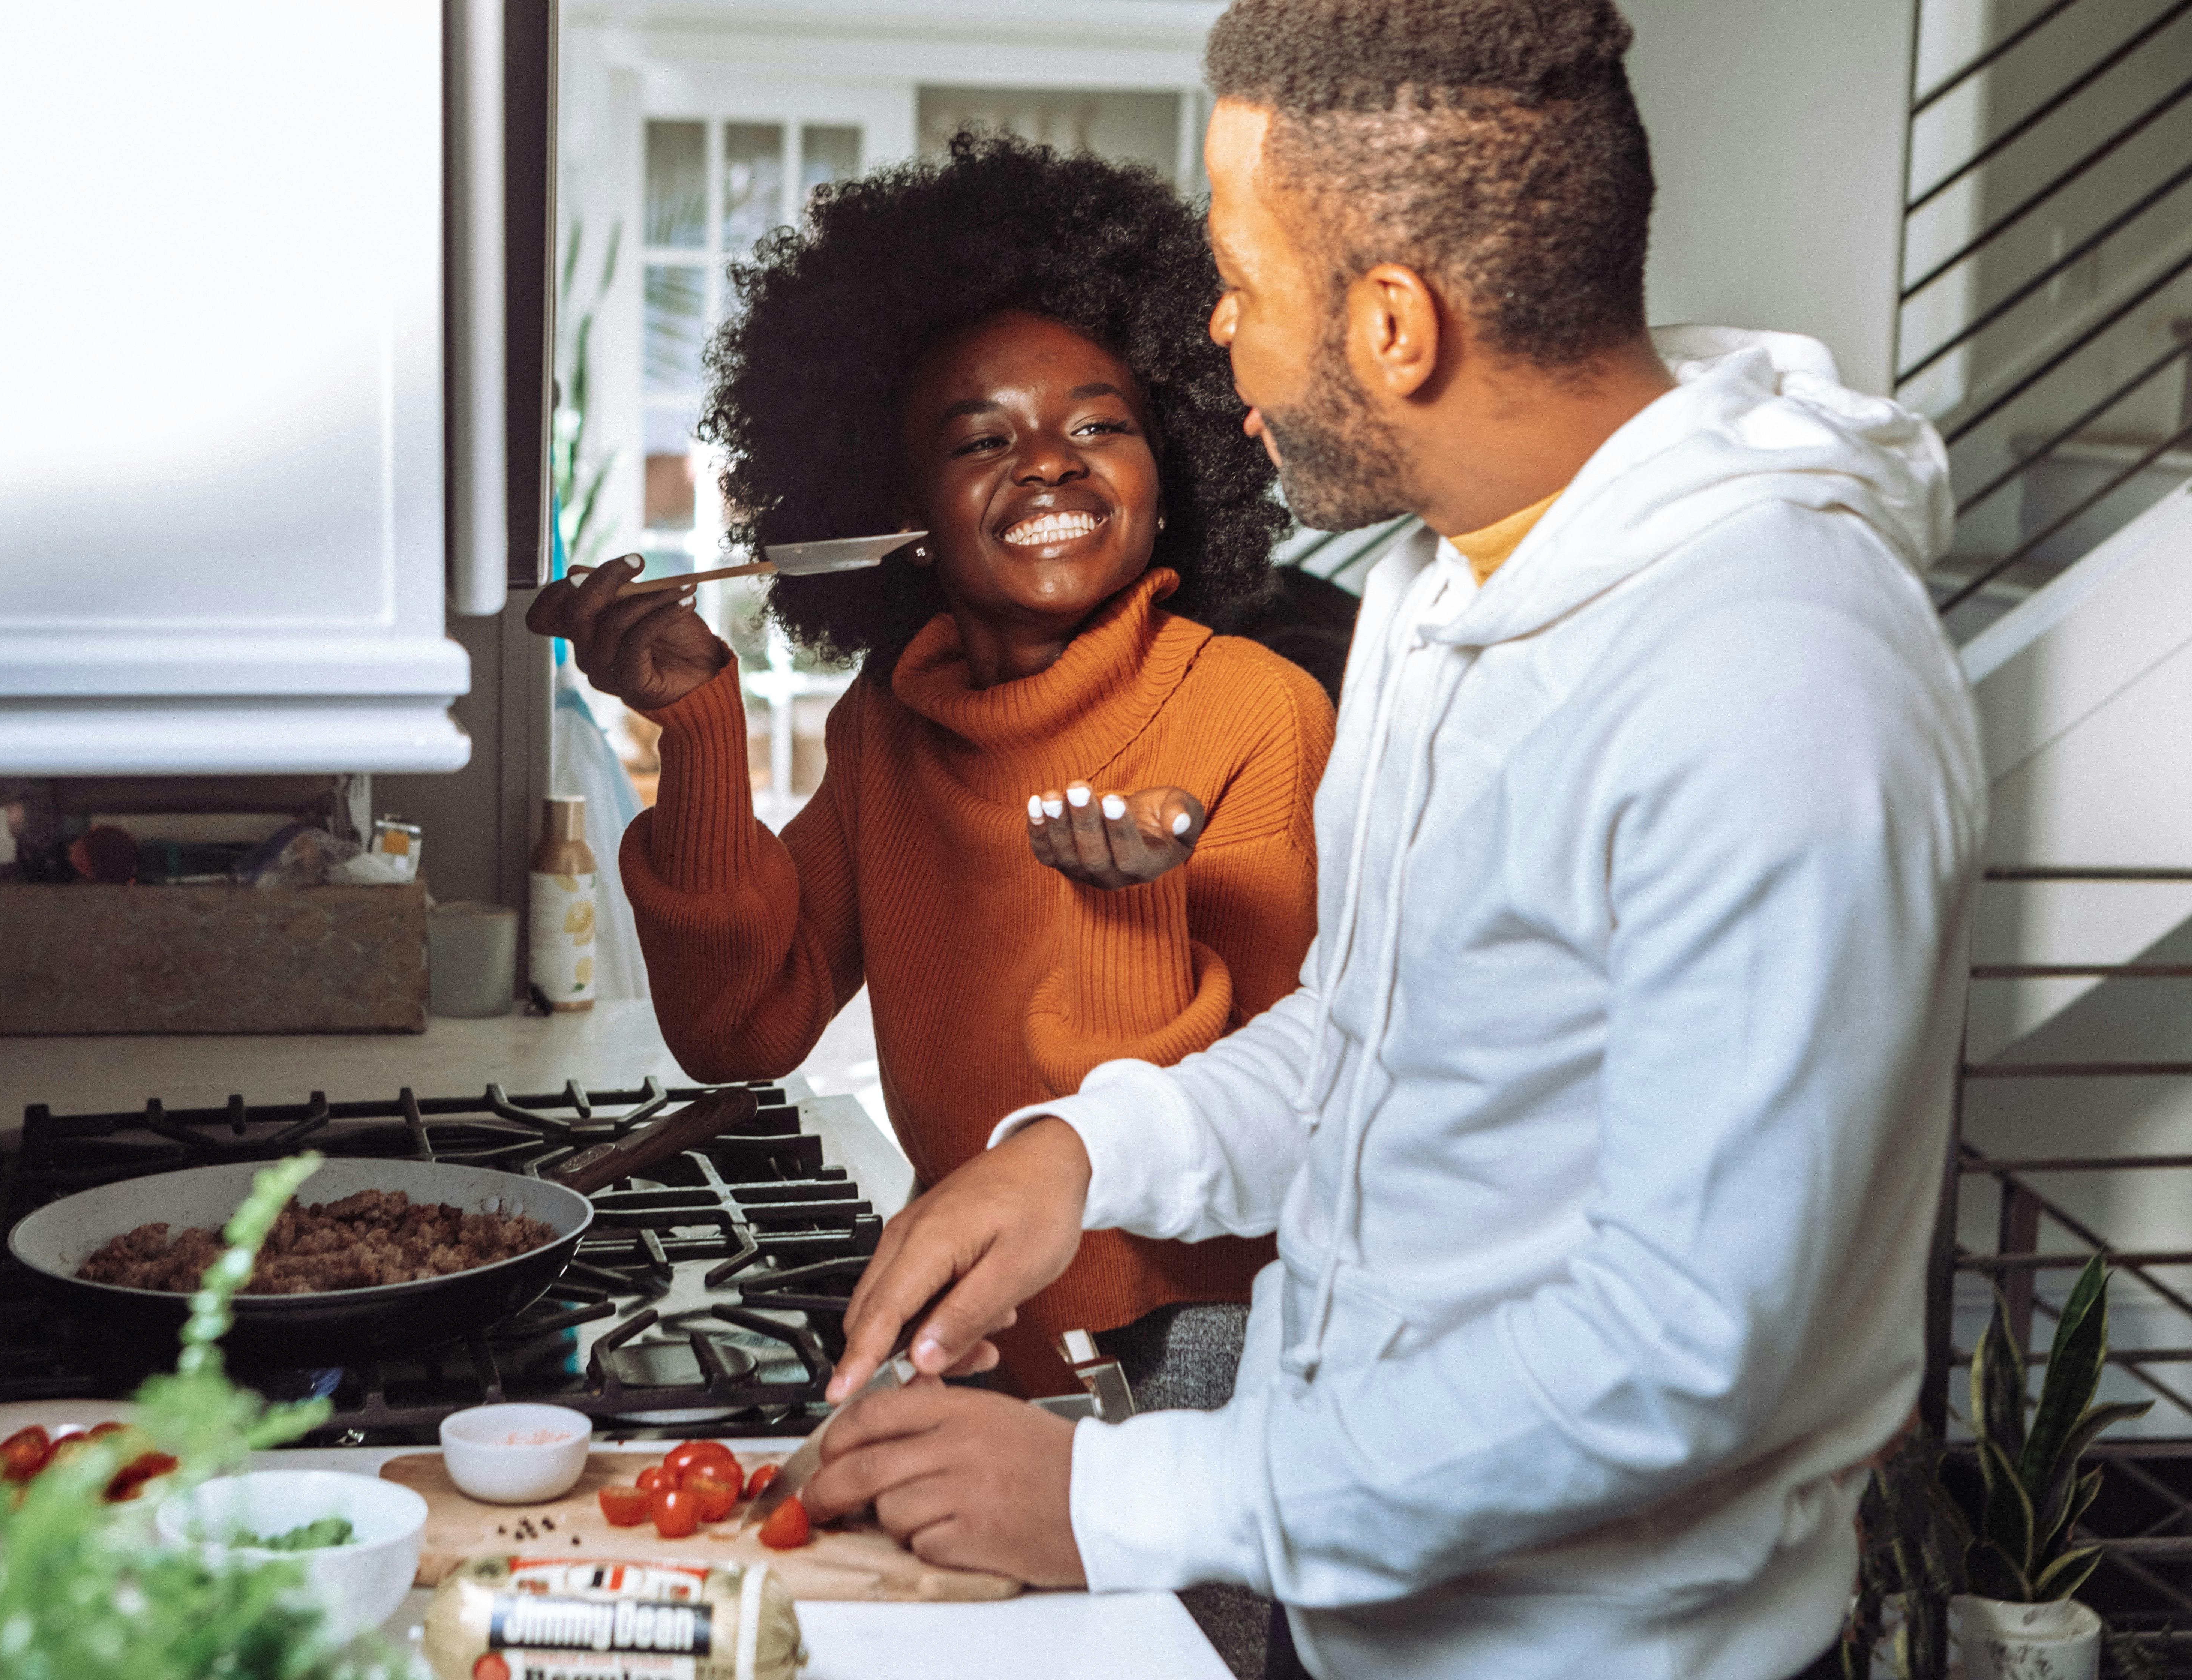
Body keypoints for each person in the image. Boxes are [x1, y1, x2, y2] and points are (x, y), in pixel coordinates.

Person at [804, 4, 1987, 1678]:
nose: (1214, 338)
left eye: (1242, 279)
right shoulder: (1450, 587)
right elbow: (1389, 1041)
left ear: (1393, 324)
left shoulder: (1776, 680)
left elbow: (1679, 1353)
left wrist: (1117, 1497)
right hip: (1358, 1612)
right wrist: (1083, 1155)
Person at [526, 134, 1334, 1402]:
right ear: (897, 514)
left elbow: (1289, 1124)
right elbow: (742, 1030)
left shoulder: (1258, 713)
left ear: (1171, 473)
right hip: (967, 1340)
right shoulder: (889, 728)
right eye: (979, 440)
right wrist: (697, 731)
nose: (1049, 459)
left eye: (1100, 424)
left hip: (1195, 1369)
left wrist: (1125, 908)